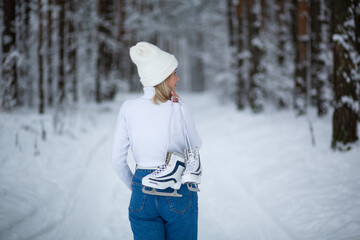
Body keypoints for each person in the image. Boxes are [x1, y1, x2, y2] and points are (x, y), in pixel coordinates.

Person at [111, 41, 202, 240]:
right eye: (174, 73)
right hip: (177, 188)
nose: (178, 78)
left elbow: (117, 161)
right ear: (162, 77)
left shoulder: (128, 108)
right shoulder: (179, 108)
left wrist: (138, 186)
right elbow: (195, 146)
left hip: (142, 190)